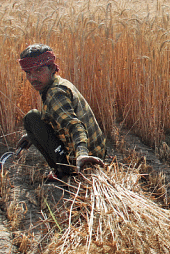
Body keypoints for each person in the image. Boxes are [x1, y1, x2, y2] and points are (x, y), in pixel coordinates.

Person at [15, 44, 106, 181]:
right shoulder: (59, 83)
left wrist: (82, 154)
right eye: (28, 73)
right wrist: (34, 136)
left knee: (32, 118)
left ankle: (64, 172)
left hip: (84, 162)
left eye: (38, 71)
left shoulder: (56, 93)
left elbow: (74, 125)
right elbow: (56, 120)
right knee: (35, 122)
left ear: (52, 68)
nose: (33, 78)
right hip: (97, 153)